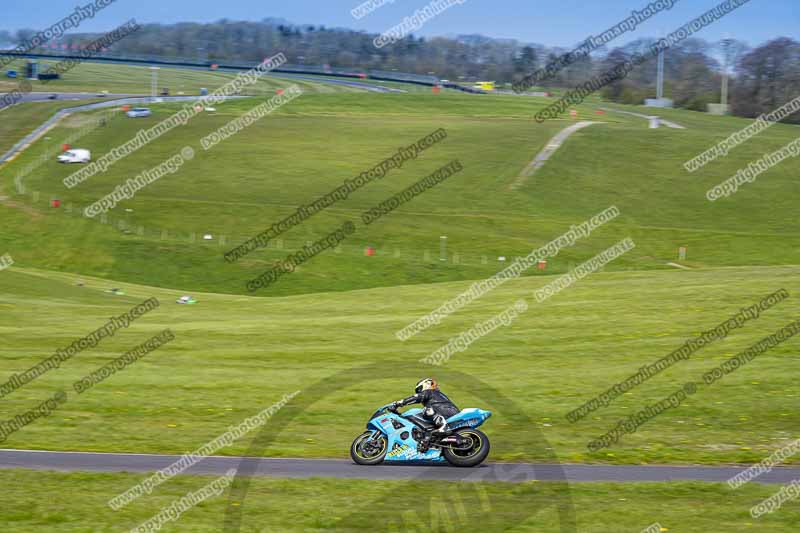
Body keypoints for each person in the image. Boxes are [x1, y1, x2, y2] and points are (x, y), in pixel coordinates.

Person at [392, 378, 460, 435]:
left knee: (426, 410)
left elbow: (416, 398)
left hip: (447, 412)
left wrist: (398, 403)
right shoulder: (436, 394)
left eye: (419, 389)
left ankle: (444, 426)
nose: (418, 392)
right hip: (450, 412)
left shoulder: (429, 392)